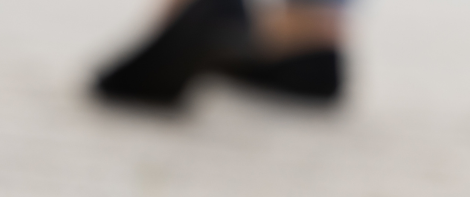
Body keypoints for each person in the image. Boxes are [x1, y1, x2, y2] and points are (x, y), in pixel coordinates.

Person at [92, 0, 346, 106]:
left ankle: (204, 16)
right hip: (316, 59)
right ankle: (311, 27)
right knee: (314, 16)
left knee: (211, 18)